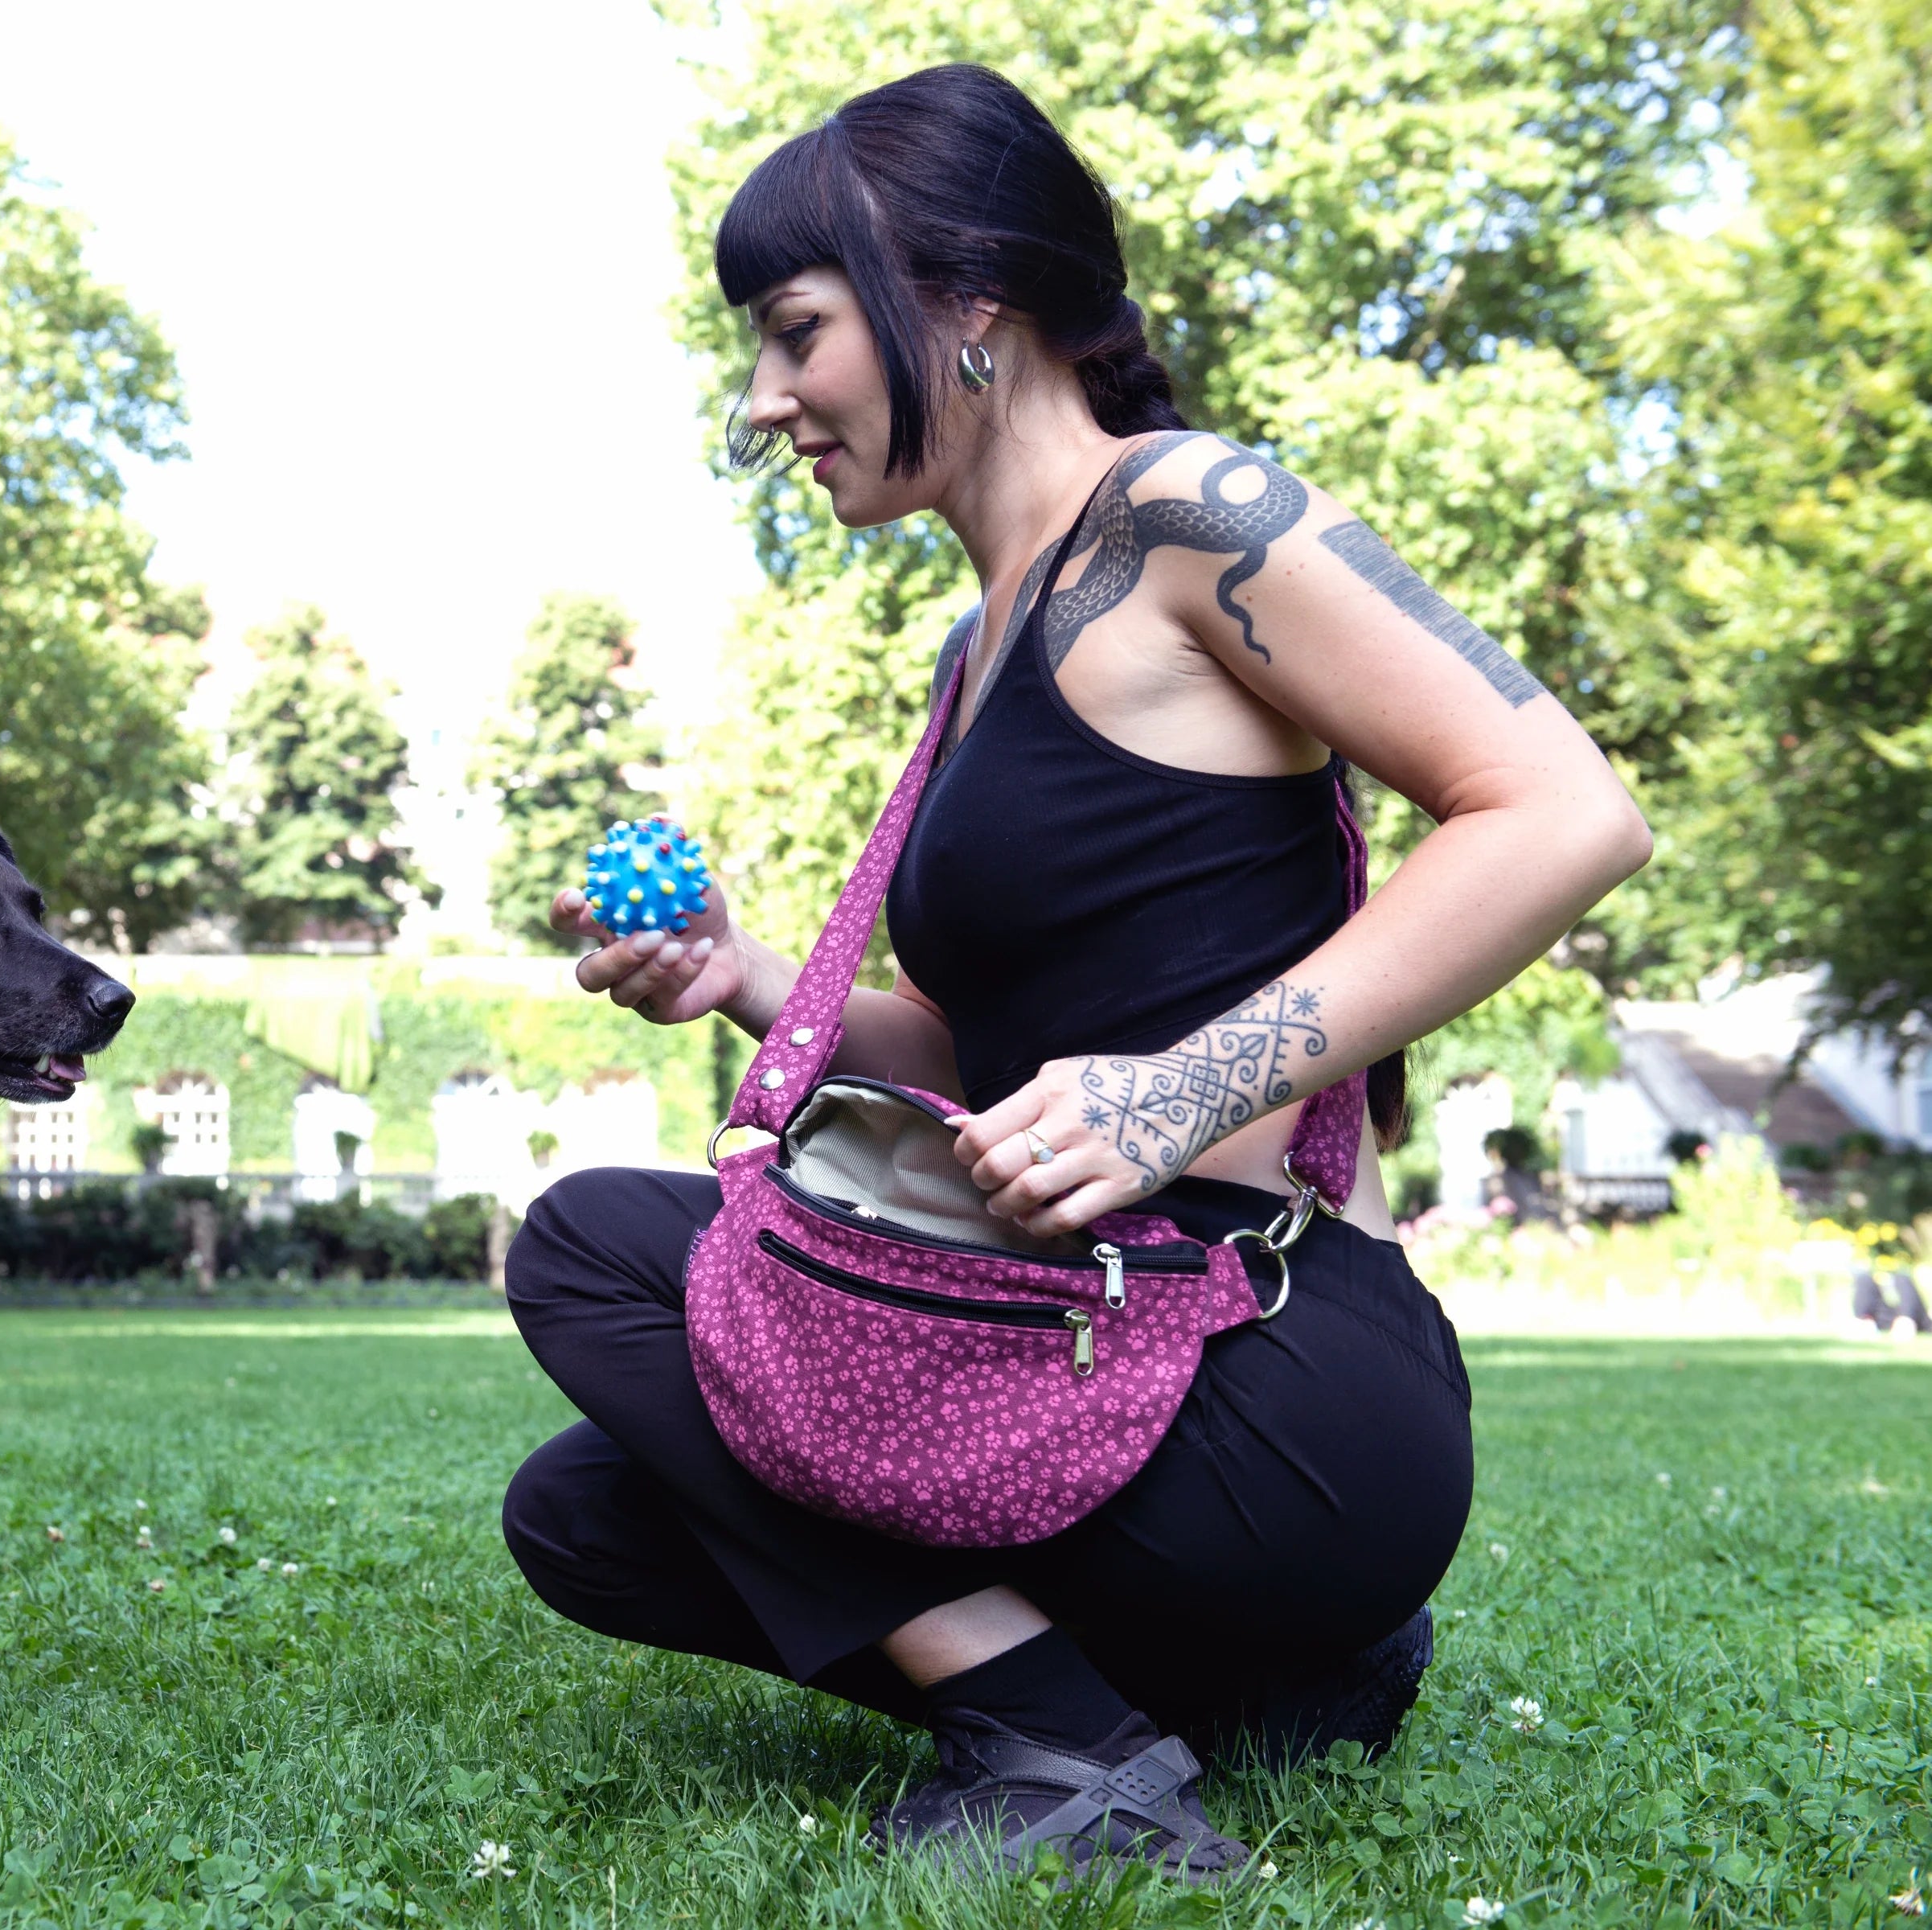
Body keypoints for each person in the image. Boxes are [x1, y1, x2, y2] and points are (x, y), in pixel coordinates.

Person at [497, 64, 1651, 1883]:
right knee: (589, 1515)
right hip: (1060, 1305)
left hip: (1258, 1363)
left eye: (796, 332)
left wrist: (1183, 1091)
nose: (763, 400)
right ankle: (1256, 1693)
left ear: (966, 304)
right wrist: (744, 978)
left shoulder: (1186, 516)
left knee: (590, 1246)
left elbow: (1562, 812)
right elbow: (995, 1057)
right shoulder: (982, 645)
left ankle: (1062, 1753)